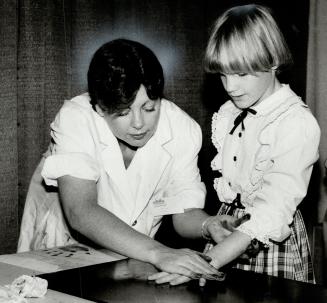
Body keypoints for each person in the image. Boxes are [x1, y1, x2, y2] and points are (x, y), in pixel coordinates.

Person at [18, 38, 246, 281]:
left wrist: (207, 226)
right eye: (123, 112)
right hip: (68, 247)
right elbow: (80, 211)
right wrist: (159, 253)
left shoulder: (182, 129)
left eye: (149, 108)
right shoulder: (76, 117)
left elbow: (183, 212)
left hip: (137, 256)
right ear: (99, 108)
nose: (138, 124)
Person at [149, 4, 320, 285]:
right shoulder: (230, 112)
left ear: (273, 61)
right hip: (227, 232)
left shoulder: (296, 123)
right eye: (223, 74)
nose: (229, 86)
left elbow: (271, 211)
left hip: (268, 237)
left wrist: (206, 263)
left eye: (240, 74)